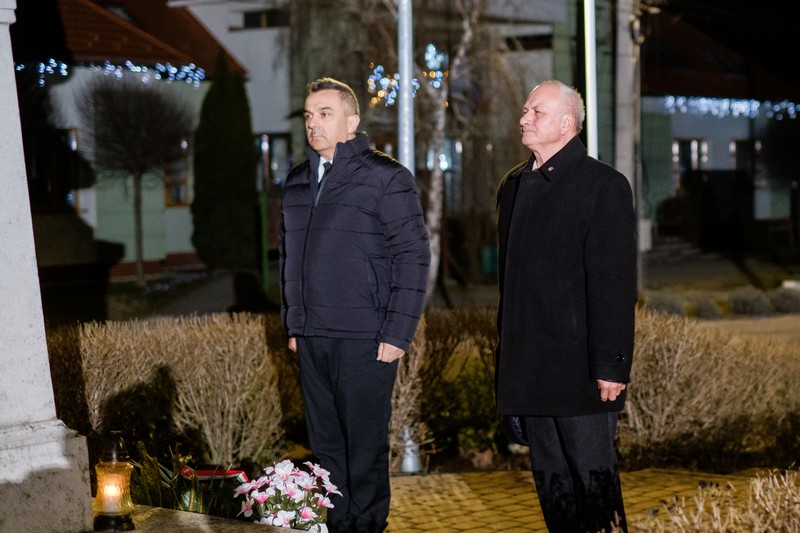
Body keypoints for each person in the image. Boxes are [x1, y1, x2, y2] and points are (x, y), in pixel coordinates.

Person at [279, 77, 430, 533]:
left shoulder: (386, 177)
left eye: (325, 114)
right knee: (326, 447)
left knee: (364, 448)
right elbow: (289, 258)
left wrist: (398, 332)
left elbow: (413, 256)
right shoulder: (297, 181)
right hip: (312, 336)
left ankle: (366, 526)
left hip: (367, 337)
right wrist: (295, 322)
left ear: (352, 121)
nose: (313, 123)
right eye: (309, 115)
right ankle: (337, 524)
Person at [495, 80, 637, 532]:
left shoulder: (603, 186)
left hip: (581, 374)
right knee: (555, 497)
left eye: (536, 112)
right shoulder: (513, 186)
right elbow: (511, 288)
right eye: (525, 110)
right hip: (530, 369)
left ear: (566, 124)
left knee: (597, 497)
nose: (524, 118)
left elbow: (613, 283)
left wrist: (612, 364)